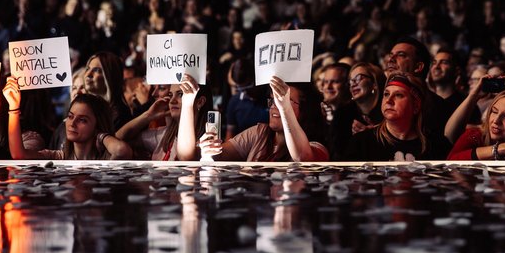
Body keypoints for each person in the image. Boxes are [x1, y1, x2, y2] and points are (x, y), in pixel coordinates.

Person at [198, 76, 328, 162]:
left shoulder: (317, 147)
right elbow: (220, 156)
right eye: (273, 100)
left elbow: (302, 158)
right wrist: (208, 149)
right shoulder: (259, 132)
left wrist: (285, 109)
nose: (275, 106)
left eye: (284, 100)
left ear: (306, 109)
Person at [2, 76, 132, 160]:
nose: (72, 123)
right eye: (70, 116)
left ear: (97, 125)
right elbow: (19, 155)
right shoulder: (60, 157)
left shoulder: (106, 158)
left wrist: (100, 135)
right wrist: (13, 107)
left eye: (82, 120)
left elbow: (121, 150)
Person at [346, 73, 449, 161]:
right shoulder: (362, 142)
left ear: (416, 105)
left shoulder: (436, 145)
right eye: (386, 94)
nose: (389, 100)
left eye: (398, 95)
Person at [116, 76, 210, 160]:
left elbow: (186, 156)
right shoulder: (165, 135)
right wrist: (148, 115)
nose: (172, 101)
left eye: (181, 95)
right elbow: (119, 138)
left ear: (200, 102)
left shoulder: (208, 142)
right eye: (170, 95)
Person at [84, 51, 133, 131]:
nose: (88, 74)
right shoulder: (89, 109)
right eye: (88, 69)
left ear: (110, 76)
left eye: (97, 70)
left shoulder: (120, 116)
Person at [348, 62, 385, 133]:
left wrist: (373, 132)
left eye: (358, 78)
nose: (353, 84)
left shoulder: (387, 111)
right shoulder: (346, 115)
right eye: (351, 81)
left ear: (374, 83)